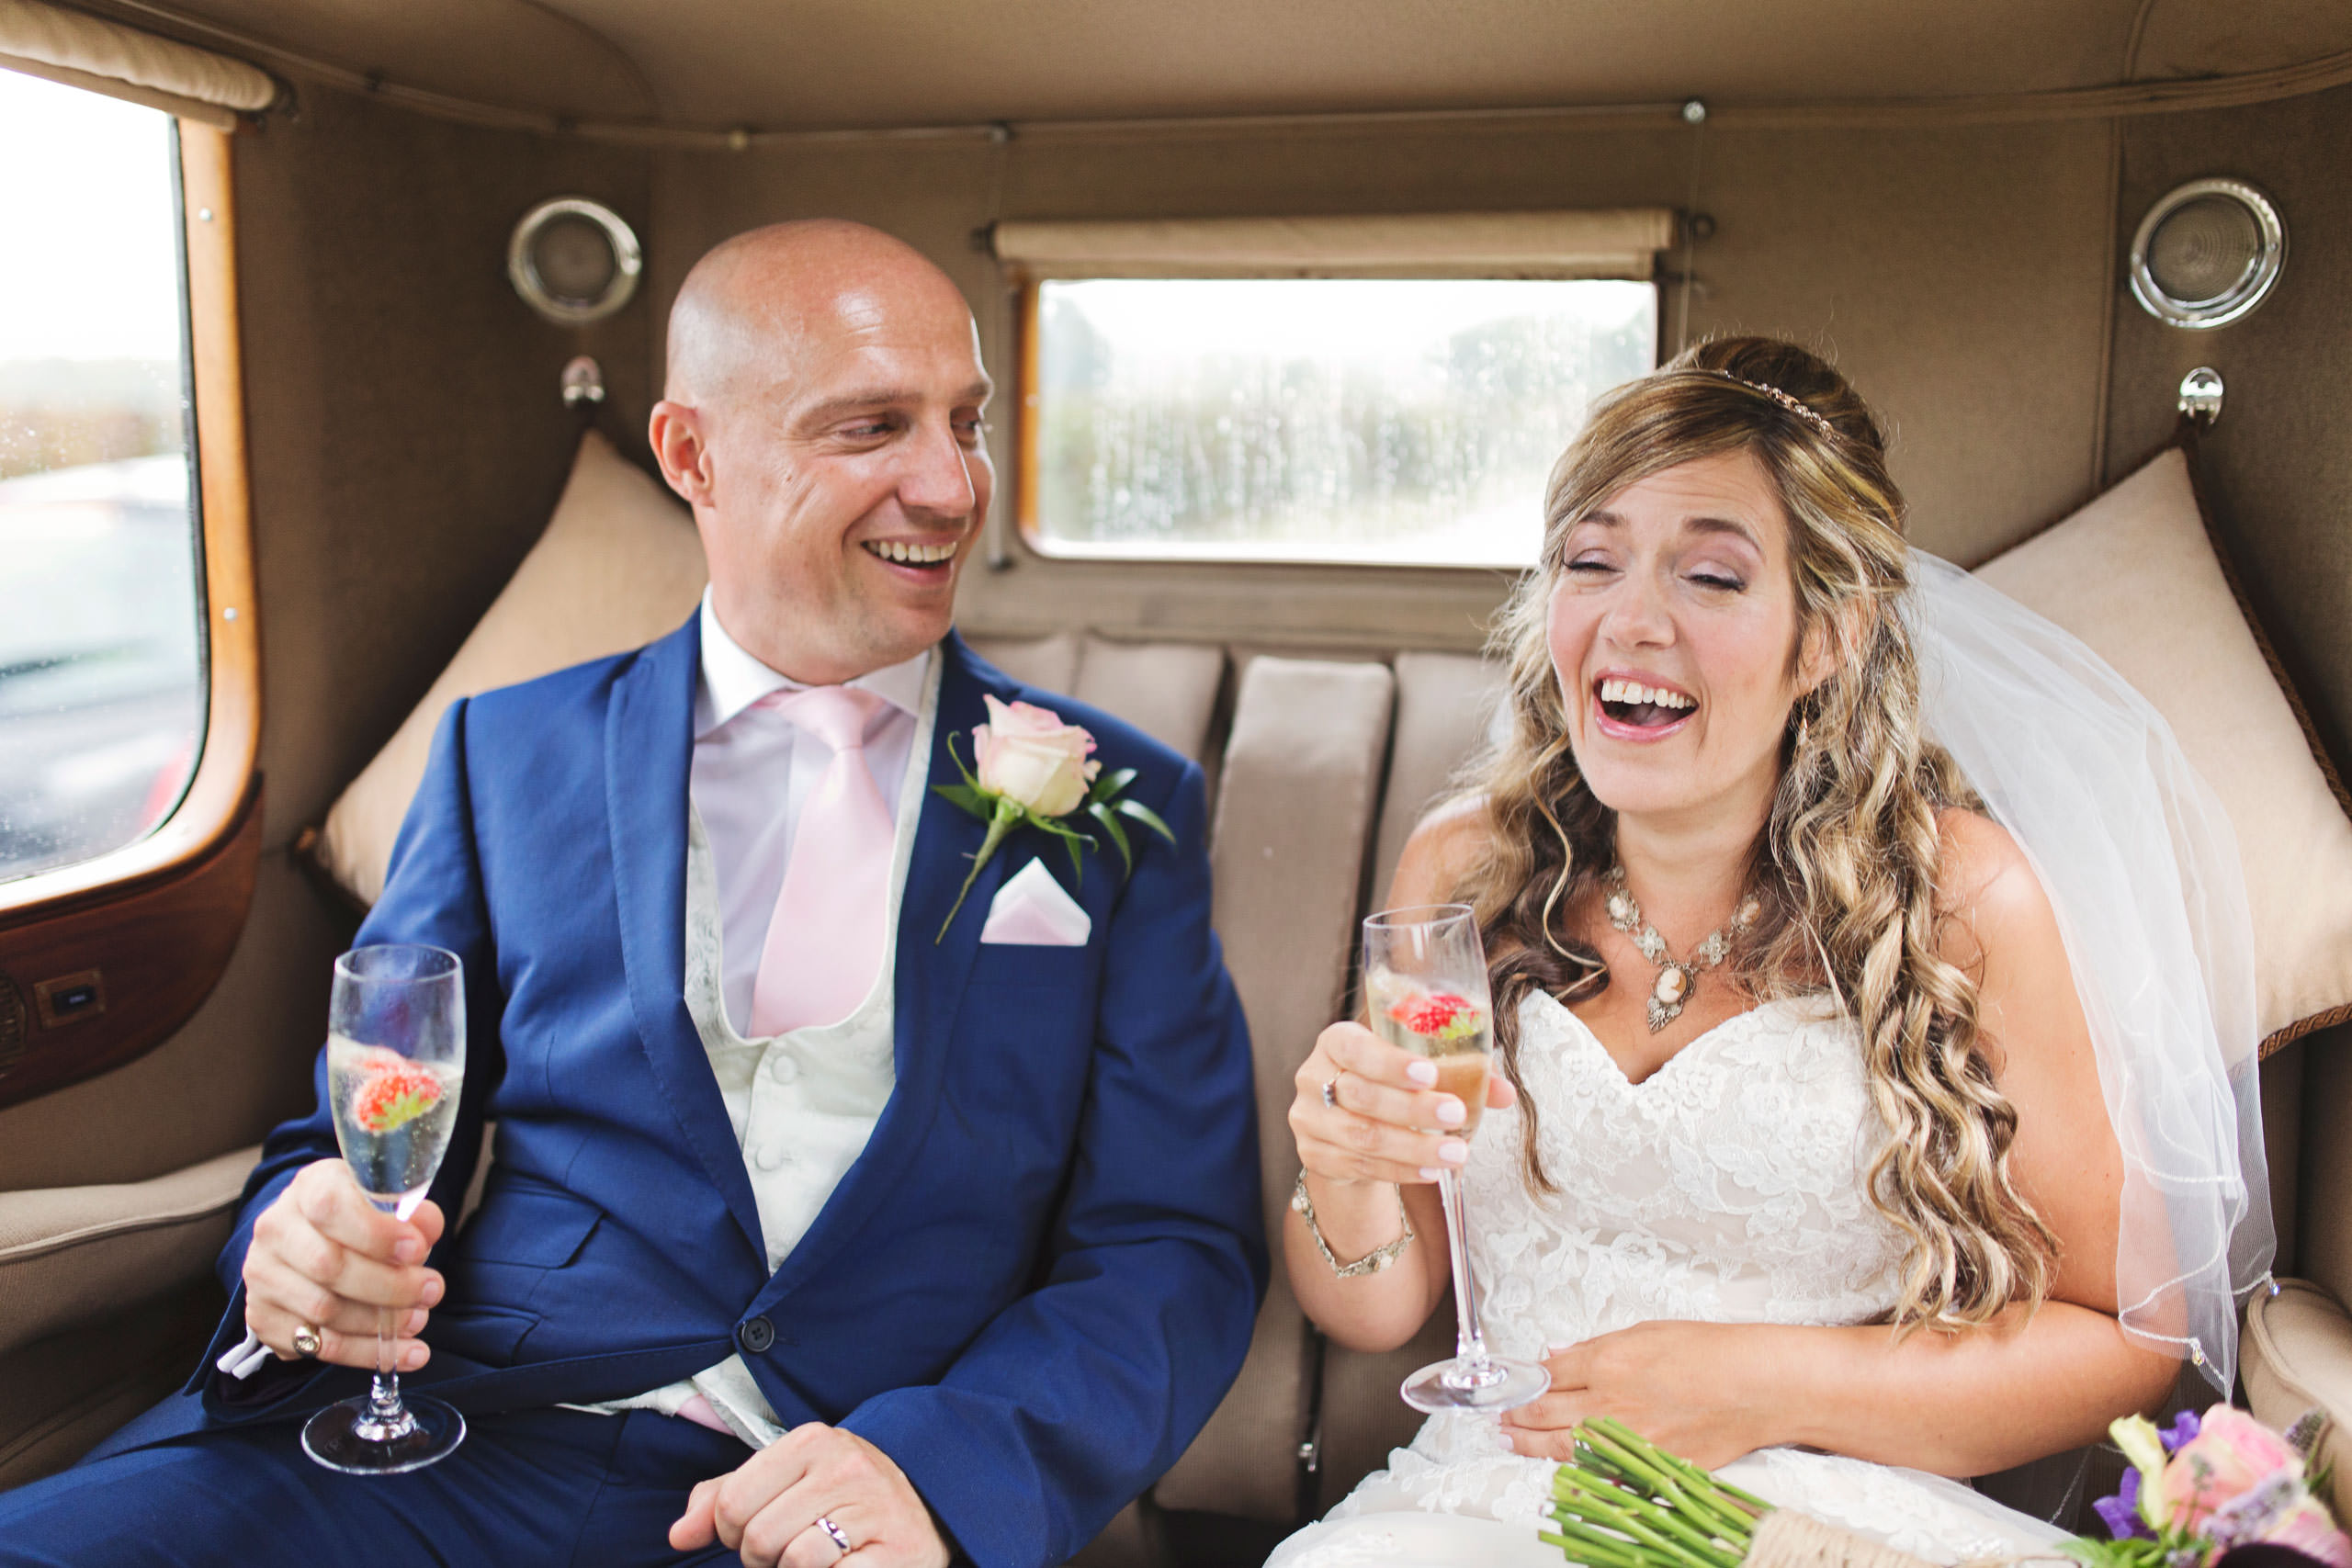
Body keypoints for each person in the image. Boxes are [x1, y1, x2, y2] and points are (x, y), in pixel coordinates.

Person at [0, 220, 1266, 1568]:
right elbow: (349, 1135)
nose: (952, 485)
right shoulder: (507, 753)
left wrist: (943, 1475)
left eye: (966, 421)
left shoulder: (1125, 805)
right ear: (690, 456)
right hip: (449, 1442)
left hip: (840, 1494)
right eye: (872, 427)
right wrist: (294, 1251)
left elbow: (1171, 1244)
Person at [1268, 337, 2272, 1568]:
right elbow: (1378, 1308)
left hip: (1821, 1519)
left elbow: (2129, 1333)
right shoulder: (1463, 870)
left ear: (1826, 641)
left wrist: (1766, 1386)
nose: (1632, 621)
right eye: (1592, 562)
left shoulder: (1968, 900)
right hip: (1480, 1499)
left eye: (1711, 577)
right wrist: (1341, 1167)